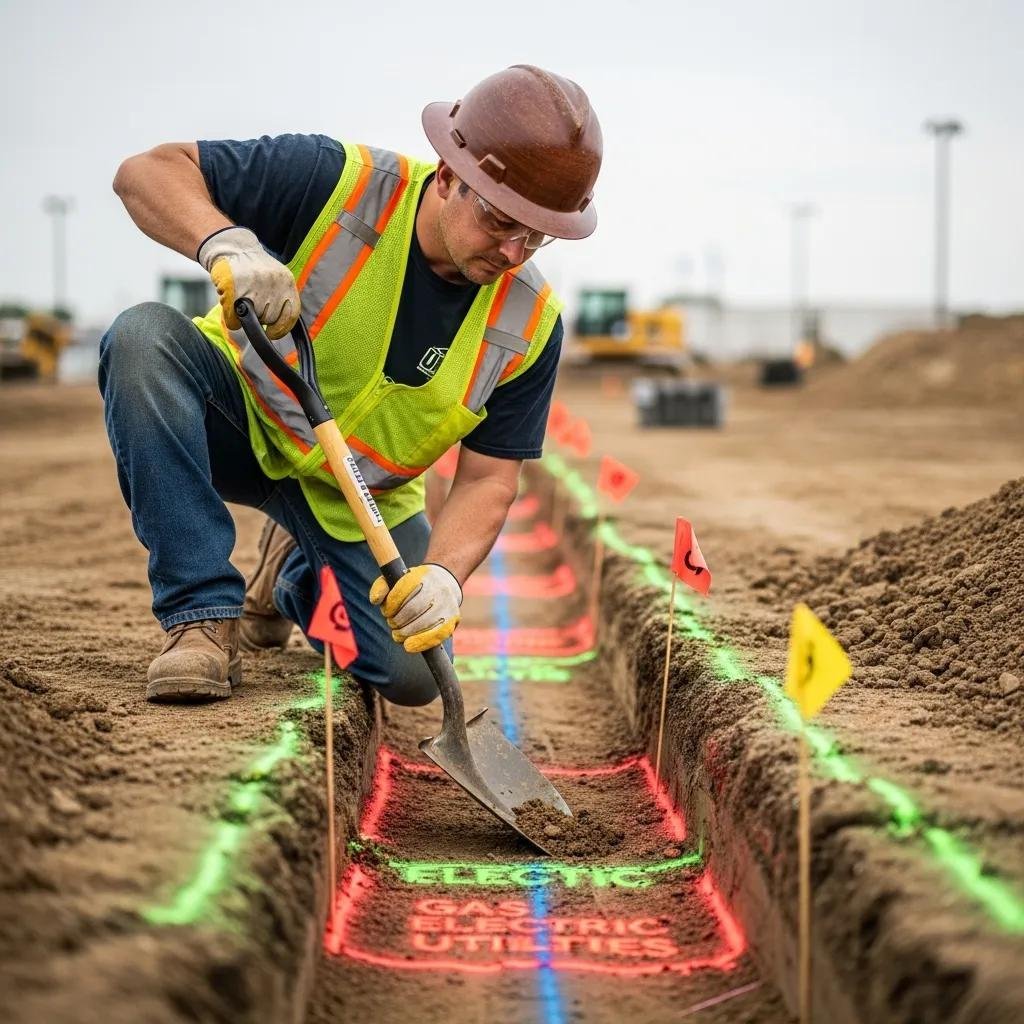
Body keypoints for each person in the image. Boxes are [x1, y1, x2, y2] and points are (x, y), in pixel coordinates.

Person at [99, 65, 602, 706]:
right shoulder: (339, 184)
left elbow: (487, 479)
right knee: (142, 338)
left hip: (355, 497)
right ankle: (199, 618)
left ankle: (293, 576)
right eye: (503, 221)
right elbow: (144, 172)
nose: (513, 252)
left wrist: (444, 575)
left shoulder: (531, 325)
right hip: (238, 422)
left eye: (537, 236)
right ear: (449, 176)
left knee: (414, 675)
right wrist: (224, 242)